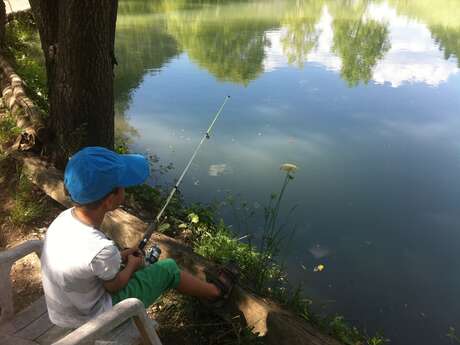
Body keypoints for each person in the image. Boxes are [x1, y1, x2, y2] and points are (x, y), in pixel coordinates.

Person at [40, 146, 235, 328]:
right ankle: (216, 293)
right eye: (123, 186)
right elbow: (114, 287)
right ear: (109, 201)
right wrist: (132, 265)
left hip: (61, 311)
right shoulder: (101, 249)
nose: (126, 188)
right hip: (93, 318)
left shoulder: (63, 220)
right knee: (169, 270)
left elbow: (88, 262)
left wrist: (121, 256)